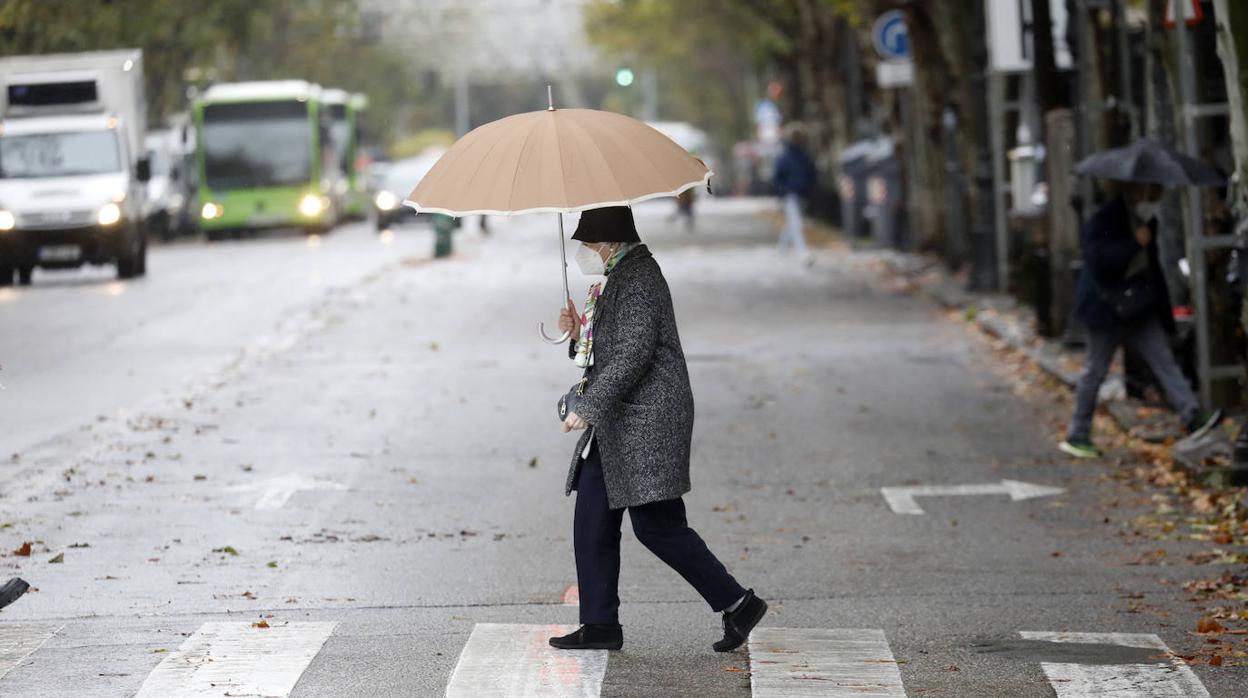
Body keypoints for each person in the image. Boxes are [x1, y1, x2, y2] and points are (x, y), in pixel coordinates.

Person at [550, 206, 767, 652]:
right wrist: (576, 335)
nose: (584, 254)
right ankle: (599, 625)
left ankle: (737, 603)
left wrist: (588, 407)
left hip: (648, 421)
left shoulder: (640, 279)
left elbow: (632, 356)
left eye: (588, 245)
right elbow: (604, 352)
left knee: (658, 527)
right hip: (618, 422)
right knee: (592, 520)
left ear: (610, 242)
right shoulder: (618, 277)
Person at [1060, 183, 1221, 458]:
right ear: (1139, 191)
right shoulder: (1107, 217)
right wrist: (1135, 242)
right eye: (1154, 191)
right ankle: (1078, 433)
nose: (1158, 196)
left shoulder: (1147, 221)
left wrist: (1165, 315)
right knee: (1095, 371)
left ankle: (1192, 415)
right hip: (1106, 308)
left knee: (1163, 360)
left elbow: (1154, 270)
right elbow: (1098, 259)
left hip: (1138, 306)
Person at [772, 124, 817, 264]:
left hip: (802, 194)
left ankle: (782, 248)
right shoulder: (784, 157)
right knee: (796, 223)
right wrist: (781, 192)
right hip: (789, 195)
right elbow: (777, 178)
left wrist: (811, 190)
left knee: (792, 223)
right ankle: (803, 253)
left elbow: (812, 175)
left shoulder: (806, 157)